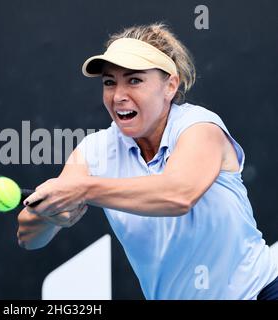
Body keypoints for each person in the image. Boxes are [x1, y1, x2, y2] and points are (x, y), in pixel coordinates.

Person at [17, 23, 278, 300]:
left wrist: (84, 189)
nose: (118, 96)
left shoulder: (199, 127)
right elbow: (28, 237)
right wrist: (48, 215)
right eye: (109, 82)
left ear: (170, 86)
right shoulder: (94, 151)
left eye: (134, 80)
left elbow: (178, 194)